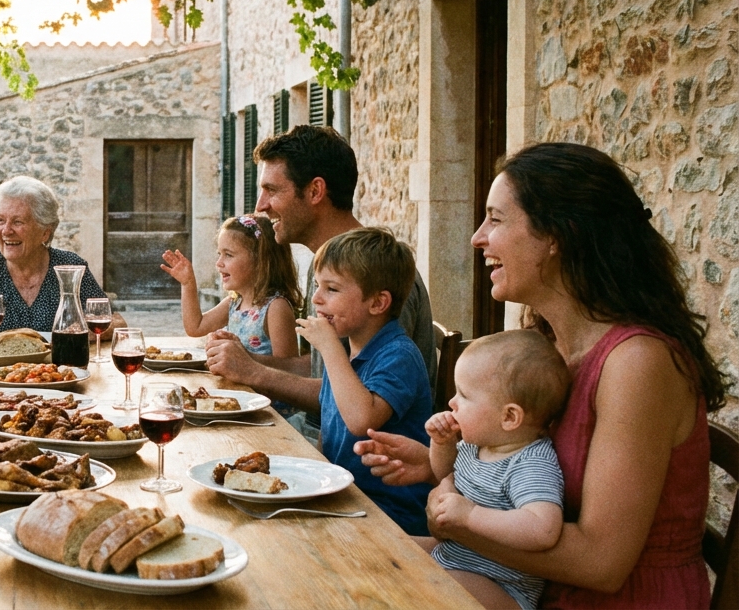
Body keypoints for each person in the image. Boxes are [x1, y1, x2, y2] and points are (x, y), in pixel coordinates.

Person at [355, 142, 728, 608]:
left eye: (496, 219)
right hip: (535, 587)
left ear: (556, 237)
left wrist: (455, 522)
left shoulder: (638, 363)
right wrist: (459, 466)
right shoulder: (547, 344)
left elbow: (601, 564)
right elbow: (528, 471)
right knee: (350, 558)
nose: (477, 237)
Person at [206, 125, 436, 440]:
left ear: (315, 191)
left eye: (272, 190)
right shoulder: (331, 270)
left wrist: (253, 372)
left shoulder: (373, 276)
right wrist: (246, 359)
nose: (261, 205)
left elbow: (355, 399)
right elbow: (326, 368)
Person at [295, 227, 434, 535]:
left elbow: (362, 420)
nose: (317, 298)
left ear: (377, 303)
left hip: (391, 513)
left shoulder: (399, 354)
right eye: (318, 286)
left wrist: (330, 349)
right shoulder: (346, 353)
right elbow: (329, 430)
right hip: (346, 498)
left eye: (332, 289)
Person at [423, 330, 570, 610]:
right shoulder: (476, 443)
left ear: (509, 417)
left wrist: (470, 515)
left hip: (502, 588)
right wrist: (441, 443)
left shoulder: (530, 463)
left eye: (464, 395)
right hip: (456, 561)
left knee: (421, 584)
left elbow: (543, 529)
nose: (452, 403)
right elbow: (444, 474)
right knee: (387, 551)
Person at [0, 175, 122, 339]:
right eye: (1, 220)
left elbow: (117, 323)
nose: (6, 231)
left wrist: (78, 332)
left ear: (45, 233)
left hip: (55, 369)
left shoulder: (70, 267)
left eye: (18, 222)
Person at [159, 212, 301, 357]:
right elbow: (195, 327)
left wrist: (241, 356)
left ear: (260, 261)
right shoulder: (234, 303)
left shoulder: (275, 308)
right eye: (219, 254)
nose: (219, 263)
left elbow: (290, 367)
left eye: (228, 255)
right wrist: (188, 283)